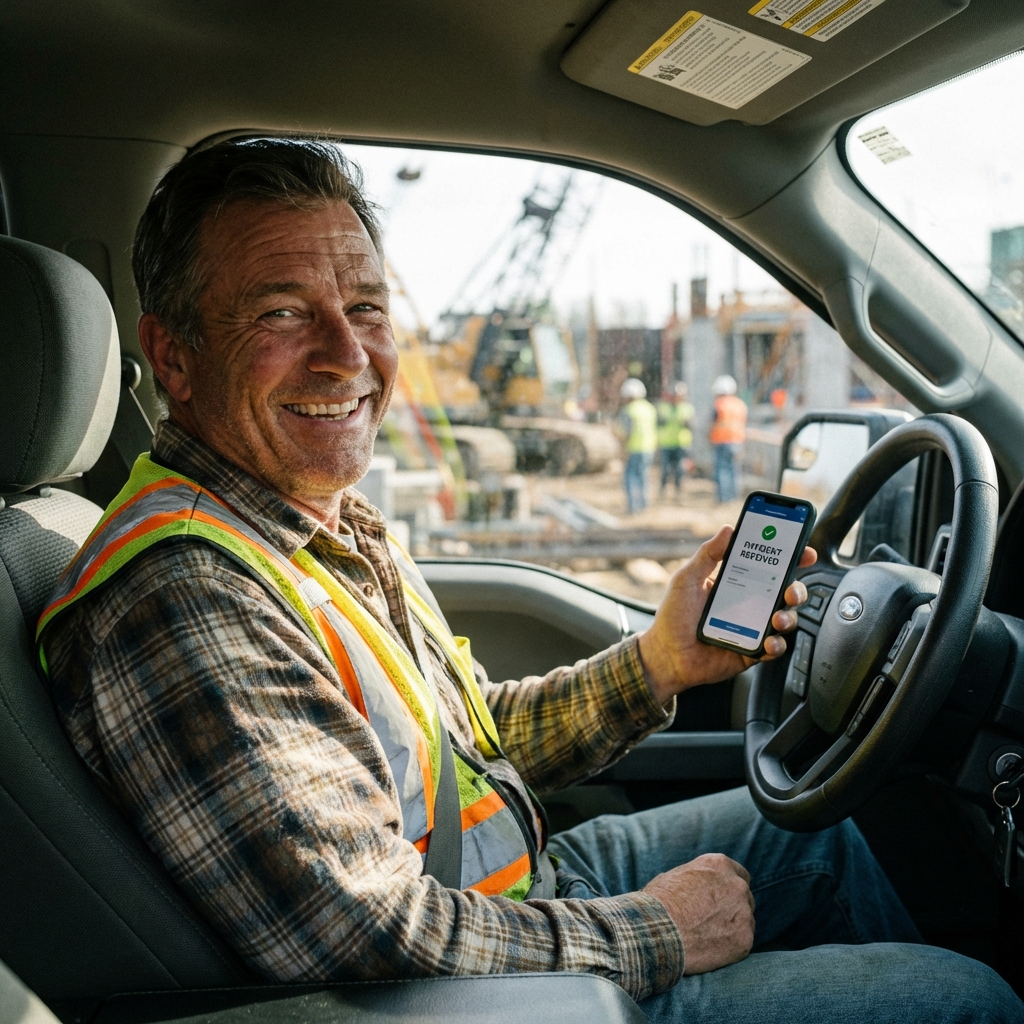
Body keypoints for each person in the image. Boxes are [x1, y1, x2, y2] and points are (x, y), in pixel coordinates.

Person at [37, 140, 1022, 1024]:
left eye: (367, 307)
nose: (348, 353)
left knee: (835, 836)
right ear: (173, 354)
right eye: (283, 312)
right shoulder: (183, 597)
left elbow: (460, 749)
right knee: (966, 999)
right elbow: (369, 938)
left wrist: (660, 662)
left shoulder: (309, 526)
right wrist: (658, 931)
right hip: (487, 995)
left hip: (514, 889)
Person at [619, 376, 657, 514]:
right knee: (643, 477)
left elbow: (624, 432)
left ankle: (633, 507)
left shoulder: (629, 410)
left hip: (633, 448)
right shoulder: (650, 408)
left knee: (630, 477)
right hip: (648, 448)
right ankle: (643, 505)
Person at [710, 374, 747, 504]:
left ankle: (723, 498)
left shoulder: (719, 404)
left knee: (722, 471)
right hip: (737, 442)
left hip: (722, 441)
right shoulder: (740, 404)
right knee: (734, 470)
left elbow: (714, 422)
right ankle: (734, 497)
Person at [657, 382, 694, 500]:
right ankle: (662, 491)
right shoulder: (664, 407)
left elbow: (691, 425)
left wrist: (685, 421)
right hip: (667, 444)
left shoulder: (687, 408)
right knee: (665, 470)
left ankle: (678, 491)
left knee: (679, 470)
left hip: (681, 444)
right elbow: (659, 423)